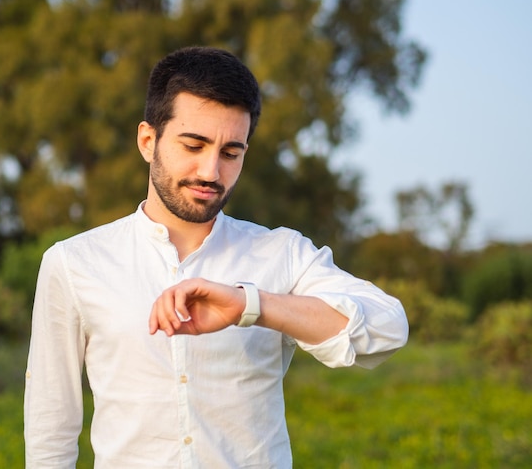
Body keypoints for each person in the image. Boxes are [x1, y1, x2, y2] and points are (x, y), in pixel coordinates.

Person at [24, 46, 408, 468]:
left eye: (230, 153)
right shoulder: (74, 263)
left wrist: (251, 305)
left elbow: (388, 329)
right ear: (148, 141)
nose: (211, 172)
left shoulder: (281, 252)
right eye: (194, 145)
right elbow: (51, 428)